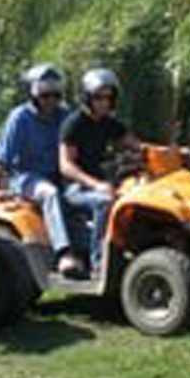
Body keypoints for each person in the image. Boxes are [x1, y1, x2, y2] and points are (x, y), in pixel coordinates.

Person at [0, 64, 81, 277]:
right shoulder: (20, 118)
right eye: (45, 95)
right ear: (33, 94)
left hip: (59, 175)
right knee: (49, 193)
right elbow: (2, 157)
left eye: (56, 95)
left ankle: (95, 253)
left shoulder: (65, 116)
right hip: (26, 178)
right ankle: (64, 253)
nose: (50, 101)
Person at [59, 68, 141, 276]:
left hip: (102, 184)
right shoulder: (73, 124)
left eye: (108, 97)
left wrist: (171, 152)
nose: (104, 102)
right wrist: (95, 184)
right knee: (104, 202)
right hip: (74, 189)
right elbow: (65, 165)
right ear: (87, 98)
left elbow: (137, 146)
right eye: (98, 97)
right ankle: (100, 264)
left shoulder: (109, 124)